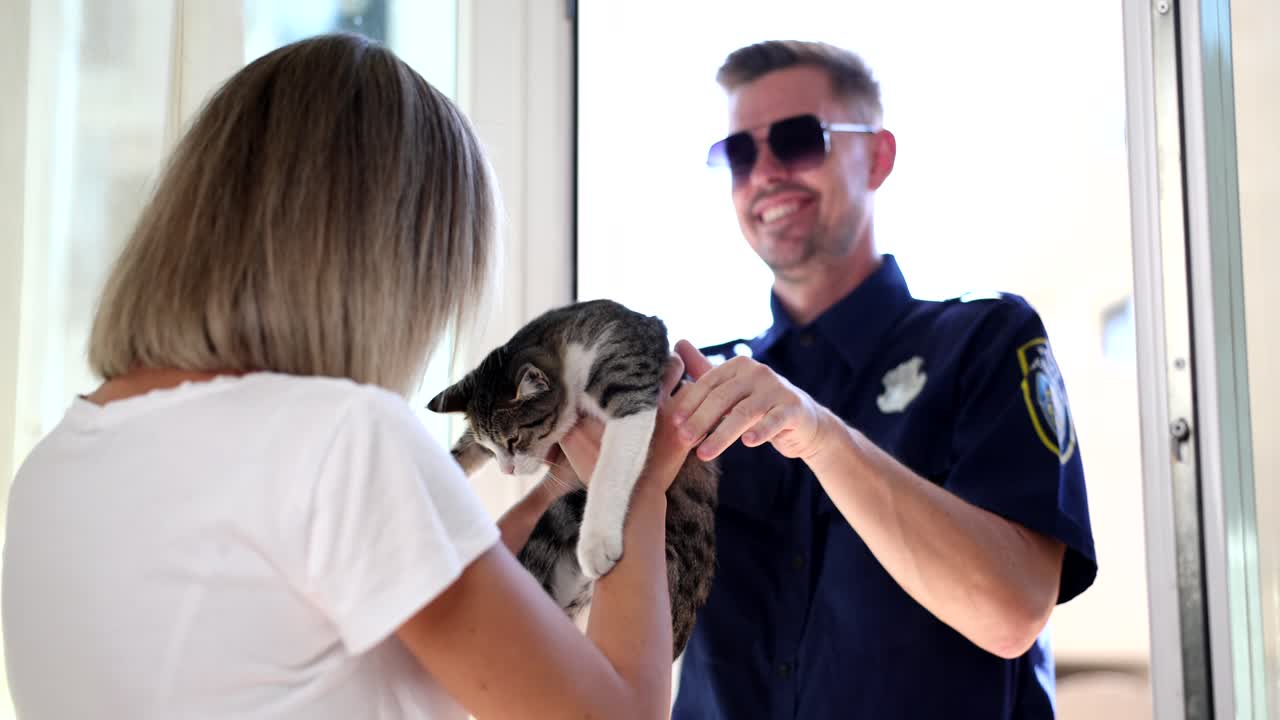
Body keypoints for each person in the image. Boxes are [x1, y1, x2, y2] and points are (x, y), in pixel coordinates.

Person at [1, 33, 693, 720]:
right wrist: (636, 483)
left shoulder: (58, 462)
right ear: (400, 267)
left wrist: (563, 484)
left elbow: (431, 601)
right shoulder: (341, 437)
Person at [667, 40, 1098, 718]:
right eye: (741, 154)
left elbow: (1012, 612)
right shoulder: (698, 388)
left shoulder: (985, 341)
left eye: (799, 140)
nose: (767, 172)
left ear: (879, 156)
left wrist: (820, 435)